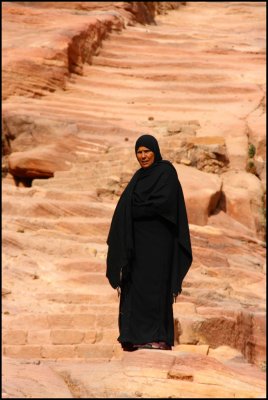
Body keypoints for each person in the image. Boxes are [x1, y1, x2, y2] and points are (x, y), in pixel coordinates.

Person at [106, 134, 192, 351]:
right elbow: (124, 208)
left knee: (155, 288)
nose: (143, 156)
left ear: (155, 151)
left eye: (147, 151)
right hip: (136, 245)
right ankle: (133, 337)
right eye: (139, 152)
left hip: (158, 245)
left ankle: (158, 337)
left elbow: (163, 204)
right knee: (134, 287)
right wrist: (135, 212)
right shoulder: (138, 177)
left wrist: (137, 210)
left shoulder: (166, 172)